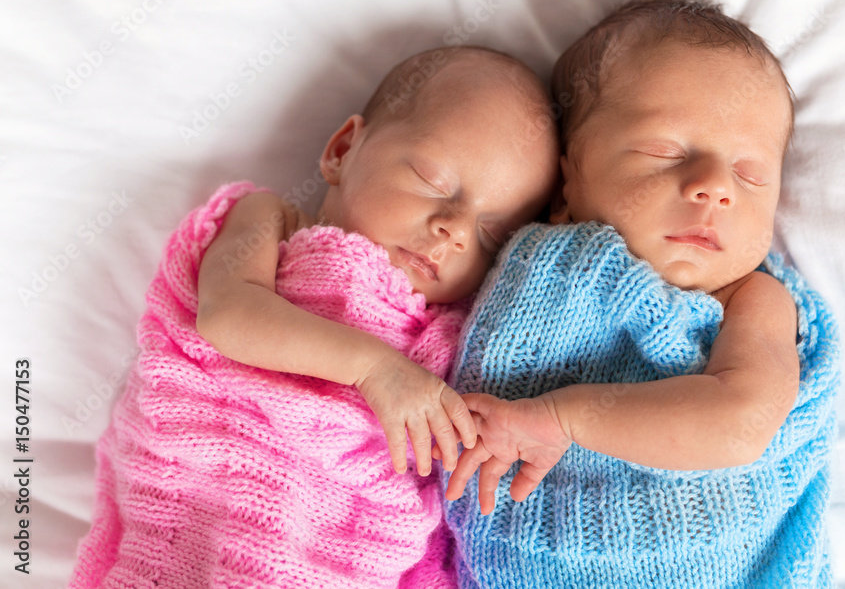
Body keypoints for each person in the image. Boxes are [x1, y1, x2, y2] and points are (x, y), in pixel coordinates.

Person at [70, 45, 560, 588]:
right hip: (211, 484)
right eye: (433, 181)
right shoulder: (270, 220)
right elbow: (228, 315)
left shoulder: (460, 328)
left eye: (492, 234)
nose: (456, 230)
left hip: (339, 542)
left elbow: (453, 458)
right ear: (343, 149)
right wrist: (376, 370)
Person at [440, 0, 840, 588]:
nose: (713, 188)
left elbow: (741, 424)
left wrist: (562, 420)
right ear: (566, 178)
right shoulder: (528, 258)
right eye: (667, 151)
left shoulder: (753, 301)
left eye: (751, 173)